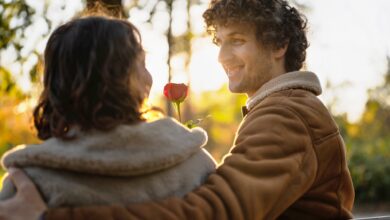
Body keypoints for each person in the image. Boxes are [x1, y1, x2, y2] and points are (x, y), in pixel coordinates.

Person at [0, 0, 355, 219]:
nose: (221, 56)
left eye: (237, 41)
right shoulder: (281, 110)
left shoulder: (286, 116)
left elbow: (218, 212)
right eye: (220, 42)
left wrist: (50, 217)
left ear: (279, 45)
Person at [0, 15, 216, 210]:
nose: (150, 77)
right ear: (132, 81)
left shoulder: (26, 185)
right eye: (142, 63)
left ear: (55, 86)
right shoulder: (193, 164)